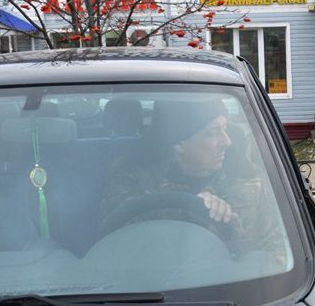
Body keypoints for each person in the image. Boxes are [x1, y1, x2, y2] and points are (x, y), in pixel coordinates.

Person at [101, 98, 273, 254]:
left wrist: (232, 226)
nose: (226, 142)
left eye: (225, 128)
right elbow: (121, 242)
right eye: (213, 132)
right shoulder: (133, 177)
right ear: (179, 143)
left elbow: (278, 251)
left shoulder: (248, 176)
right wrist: (194, 209)